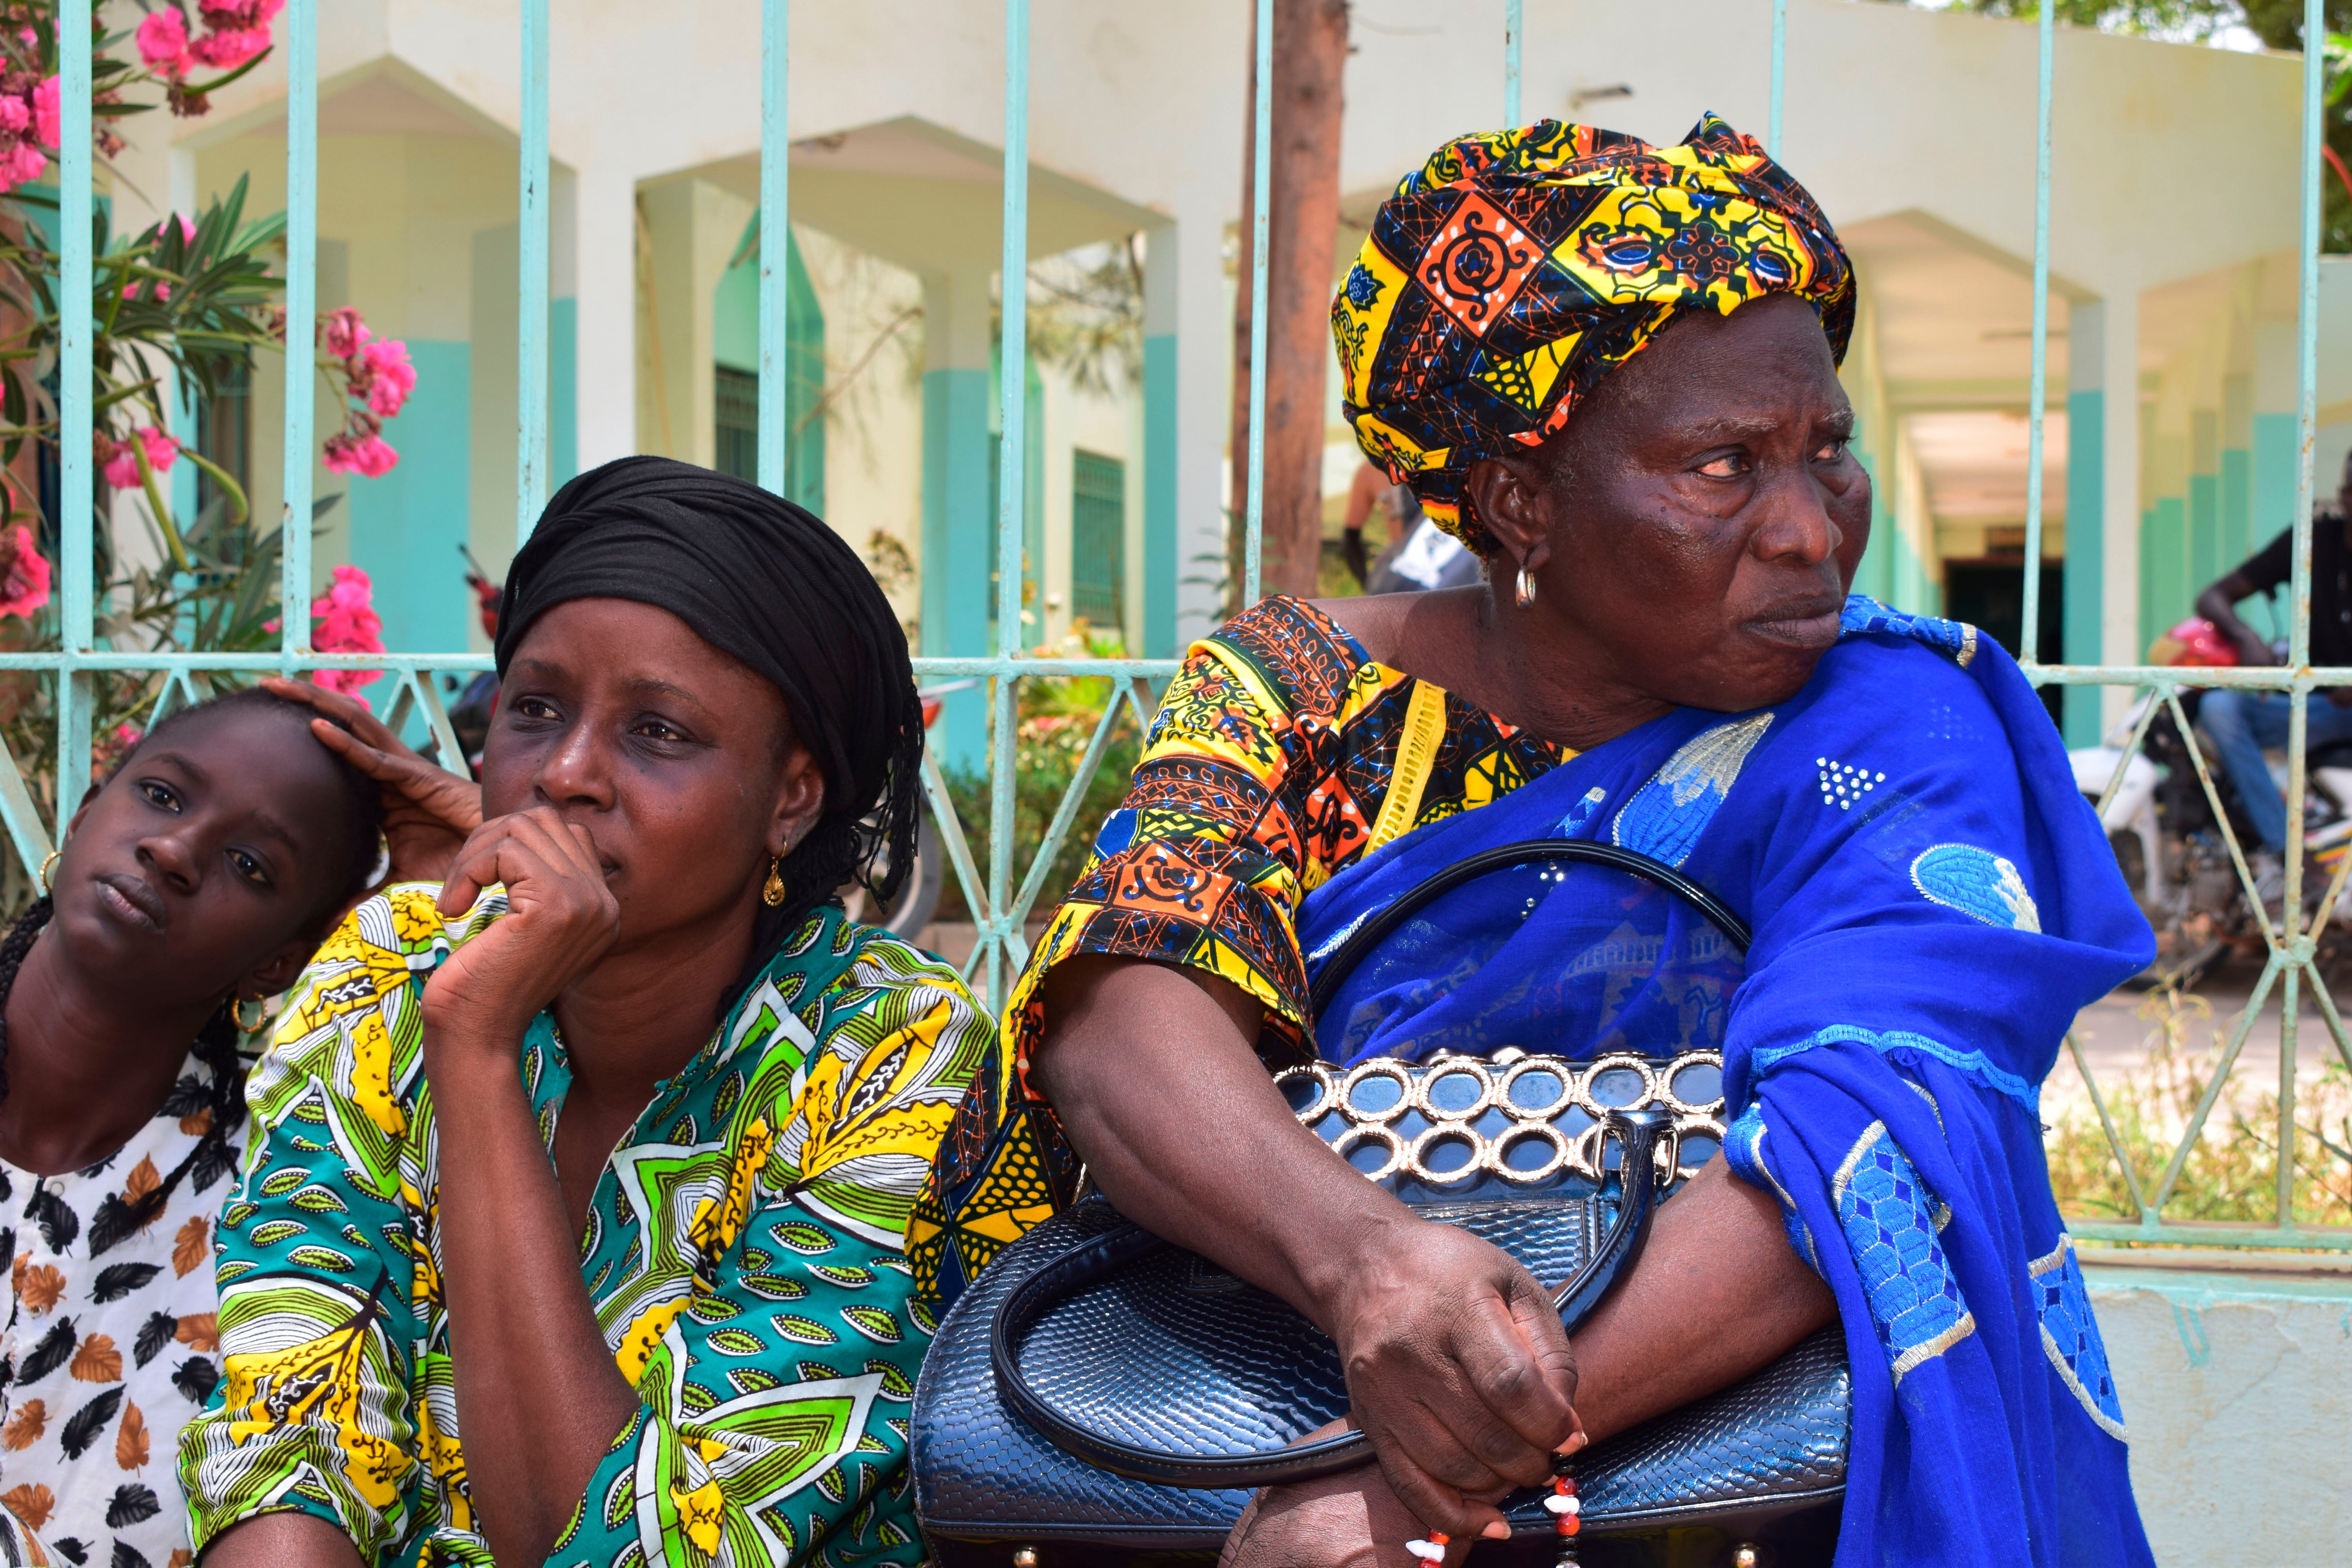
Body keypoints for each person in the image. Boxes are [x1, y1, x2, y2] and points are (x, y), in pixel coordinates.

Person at [952, 116, 2158, 1565]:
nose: (1808, 530)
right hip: (1271, 1379)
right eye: (1721, 465)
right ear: (1521, 501)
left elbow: (1875, 1123)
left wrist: (1421, 1477)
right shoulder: (1296, 688)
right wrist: (1370, 1265)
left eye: (1823, 448)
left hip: (1701, 1452)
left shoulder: (1888, 729)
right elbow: (1122, 1014)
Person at [177, 458, 1002, 1568]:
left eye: (659, 731)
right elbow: (294, 1440)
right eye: (535, 709)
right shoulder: (384, 973)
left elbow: (633, 1548)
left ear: (792, 799)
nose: (564, 773)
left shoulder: (890, 1054)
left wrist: (474, 1047)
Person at [0, 688, 385, 1568]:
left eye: (250, 865)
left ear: (280, 960)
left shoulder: (275, 1223)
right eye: (164, 796)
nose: (173, 851)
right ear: (90, 806)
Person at [2192, 446, 2352, 892]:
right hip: (2314, 706)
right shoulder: (2313, 542)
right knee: (2221, 708)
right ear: (2344, 495)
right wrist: (2246, 637)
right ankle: (2288, 853)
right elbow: (2213, 596)